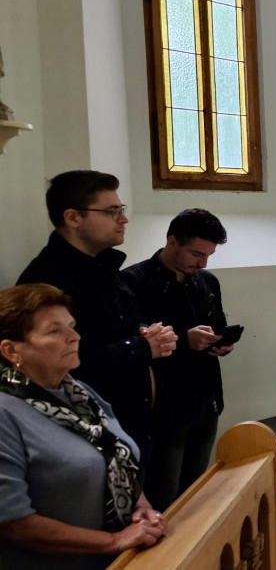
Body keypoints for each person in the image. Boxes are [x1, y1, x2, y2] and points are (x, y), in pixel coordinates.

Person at [0, 284, 168, 570]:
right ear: (11, 350)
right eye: (55, 331)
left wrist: (141, 508)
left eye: (72, 326)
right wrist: (114, 541)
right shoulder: (6, 413)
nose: (74, 337)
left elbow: (116, 456)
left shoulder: (79, 392)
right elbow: (13, 523)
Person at [17, 170, 177, 468]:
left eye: (121, 209)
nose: (123, 219)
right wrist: (141, 348)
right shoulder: (46, 282)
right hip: (92, 440)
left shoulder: (103, 267)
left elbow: (115, 327)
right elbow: (58, 366)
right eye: (111, 211)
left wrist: (146, 332)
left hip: (134, 424)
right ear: (73, 217)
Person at [122, 208, 232, 511]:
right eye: (197, 254)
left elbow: (217, 324)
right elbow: (133, 345)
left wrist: (220, 342)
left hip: (206, 400)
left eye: (209, 255)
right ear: (172, 241)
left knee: (196, 493)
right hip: (164, 407)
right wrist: (185, 341)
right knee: (164, 496)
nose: (203, 263)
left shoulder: (207, 281)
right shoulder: (132, 282)